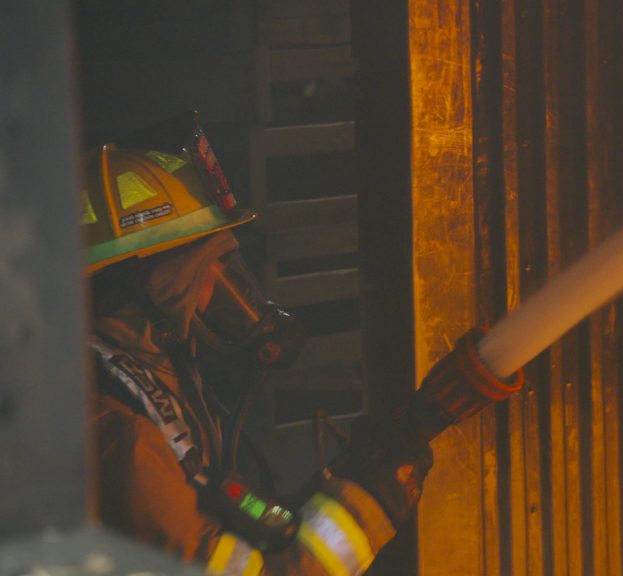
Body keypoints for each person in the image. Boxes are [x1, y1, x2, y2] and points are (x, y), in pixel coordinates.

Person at [84, 112, 432, 575]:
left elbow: (226, 534)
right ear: (142, 287)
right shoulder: (121, 436)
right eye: (204, 270)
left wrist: (328, 491)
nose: (220, 291)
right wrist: (368, 506)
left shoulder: (145, 377)